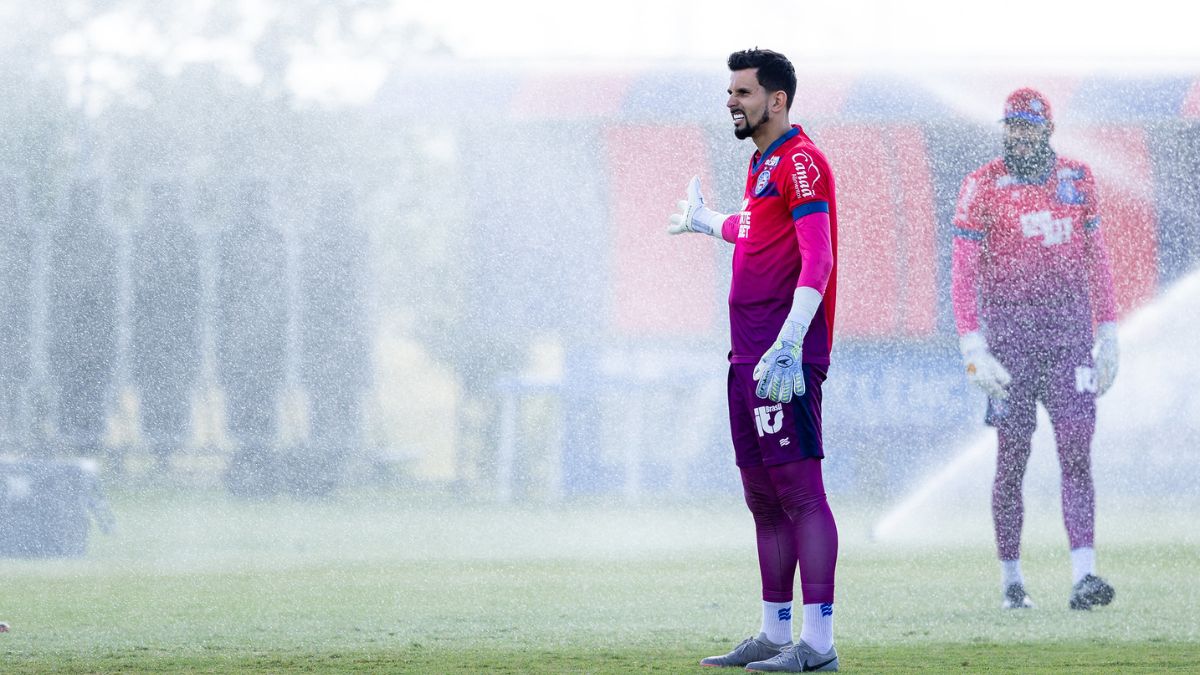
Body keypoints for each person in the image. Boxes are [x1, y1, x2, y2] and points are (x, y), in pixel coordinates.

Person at [669, 49, 840, 672]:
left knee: (801, 496)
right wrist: (706, 221)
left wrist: (791, 340)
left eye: (742, 93)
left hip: (783, 354)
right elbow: (760, 229)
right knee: (764, 501)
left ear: (777, 100)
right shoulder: (762, 161)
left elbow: (816, 258)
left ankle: (818, 647)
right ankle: (774, 634)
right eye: (730, 92)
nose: (731, 102)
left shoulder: (801, 162)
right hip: (748, 355)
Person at [951, 88, 1119, 611]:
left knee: (1076, 453)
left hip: (1070, 342)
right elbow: (963, 268)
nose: (1018, 135)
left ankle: (1084, 577)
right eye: (1012, 126)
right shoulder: (981, 184)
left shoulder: (1077, 177)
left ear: (1047, 129)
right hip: (1009, 346)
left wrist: (1109, 330)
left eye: (1028, 127)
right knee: (1012, 460)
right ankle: (1011, 582)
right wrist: (972, 343)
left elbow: (1097, 255)